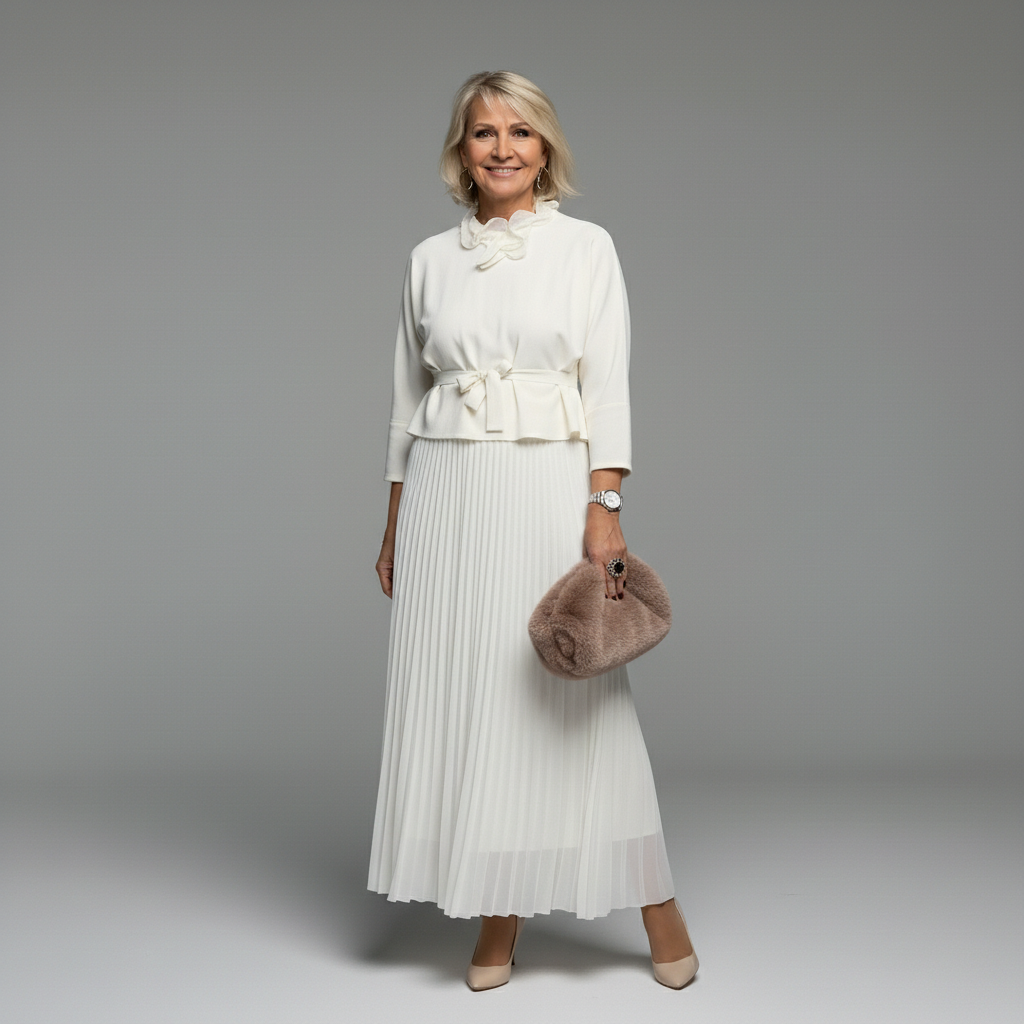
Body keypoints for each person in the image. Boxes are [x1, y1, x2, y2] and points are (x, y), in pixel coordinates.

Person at [370, 71, 698, 991]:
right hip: (446, 493)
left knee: (568, 692)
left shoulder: (587, 247)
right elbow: (403, 404)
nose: (503, 148)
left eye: (520, 131)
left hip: (546, 485)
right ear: (462, 150)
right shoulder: (428, 259)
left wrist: (605, 505)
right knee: (476, 694)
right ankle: (497, 910)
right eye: (484, 132)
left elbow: (609, 385)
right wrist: (393, 528)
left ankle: (657, 903)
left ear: (545, 146)